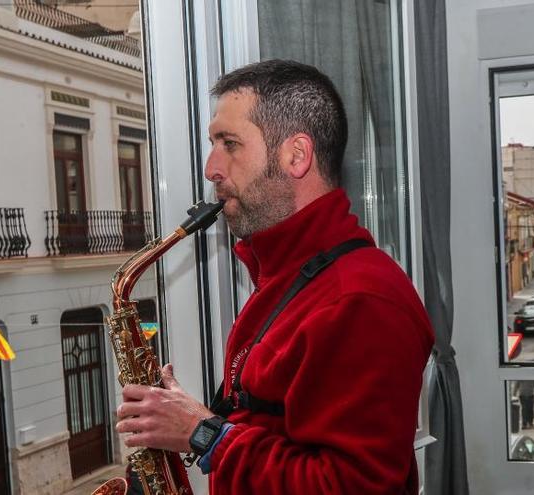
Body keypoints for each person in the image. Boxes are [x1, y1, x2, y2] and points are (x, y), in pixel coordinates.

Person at [115, 59, 434, 494]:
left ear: (296, 156)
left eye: (229, 143)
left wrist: (203, 432)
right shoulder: (288, 278)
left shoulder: (359, 300)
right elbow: (272, 425)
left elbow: (352, 486)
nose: (211, 167)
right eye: (213, 143)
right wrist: (188, 416)